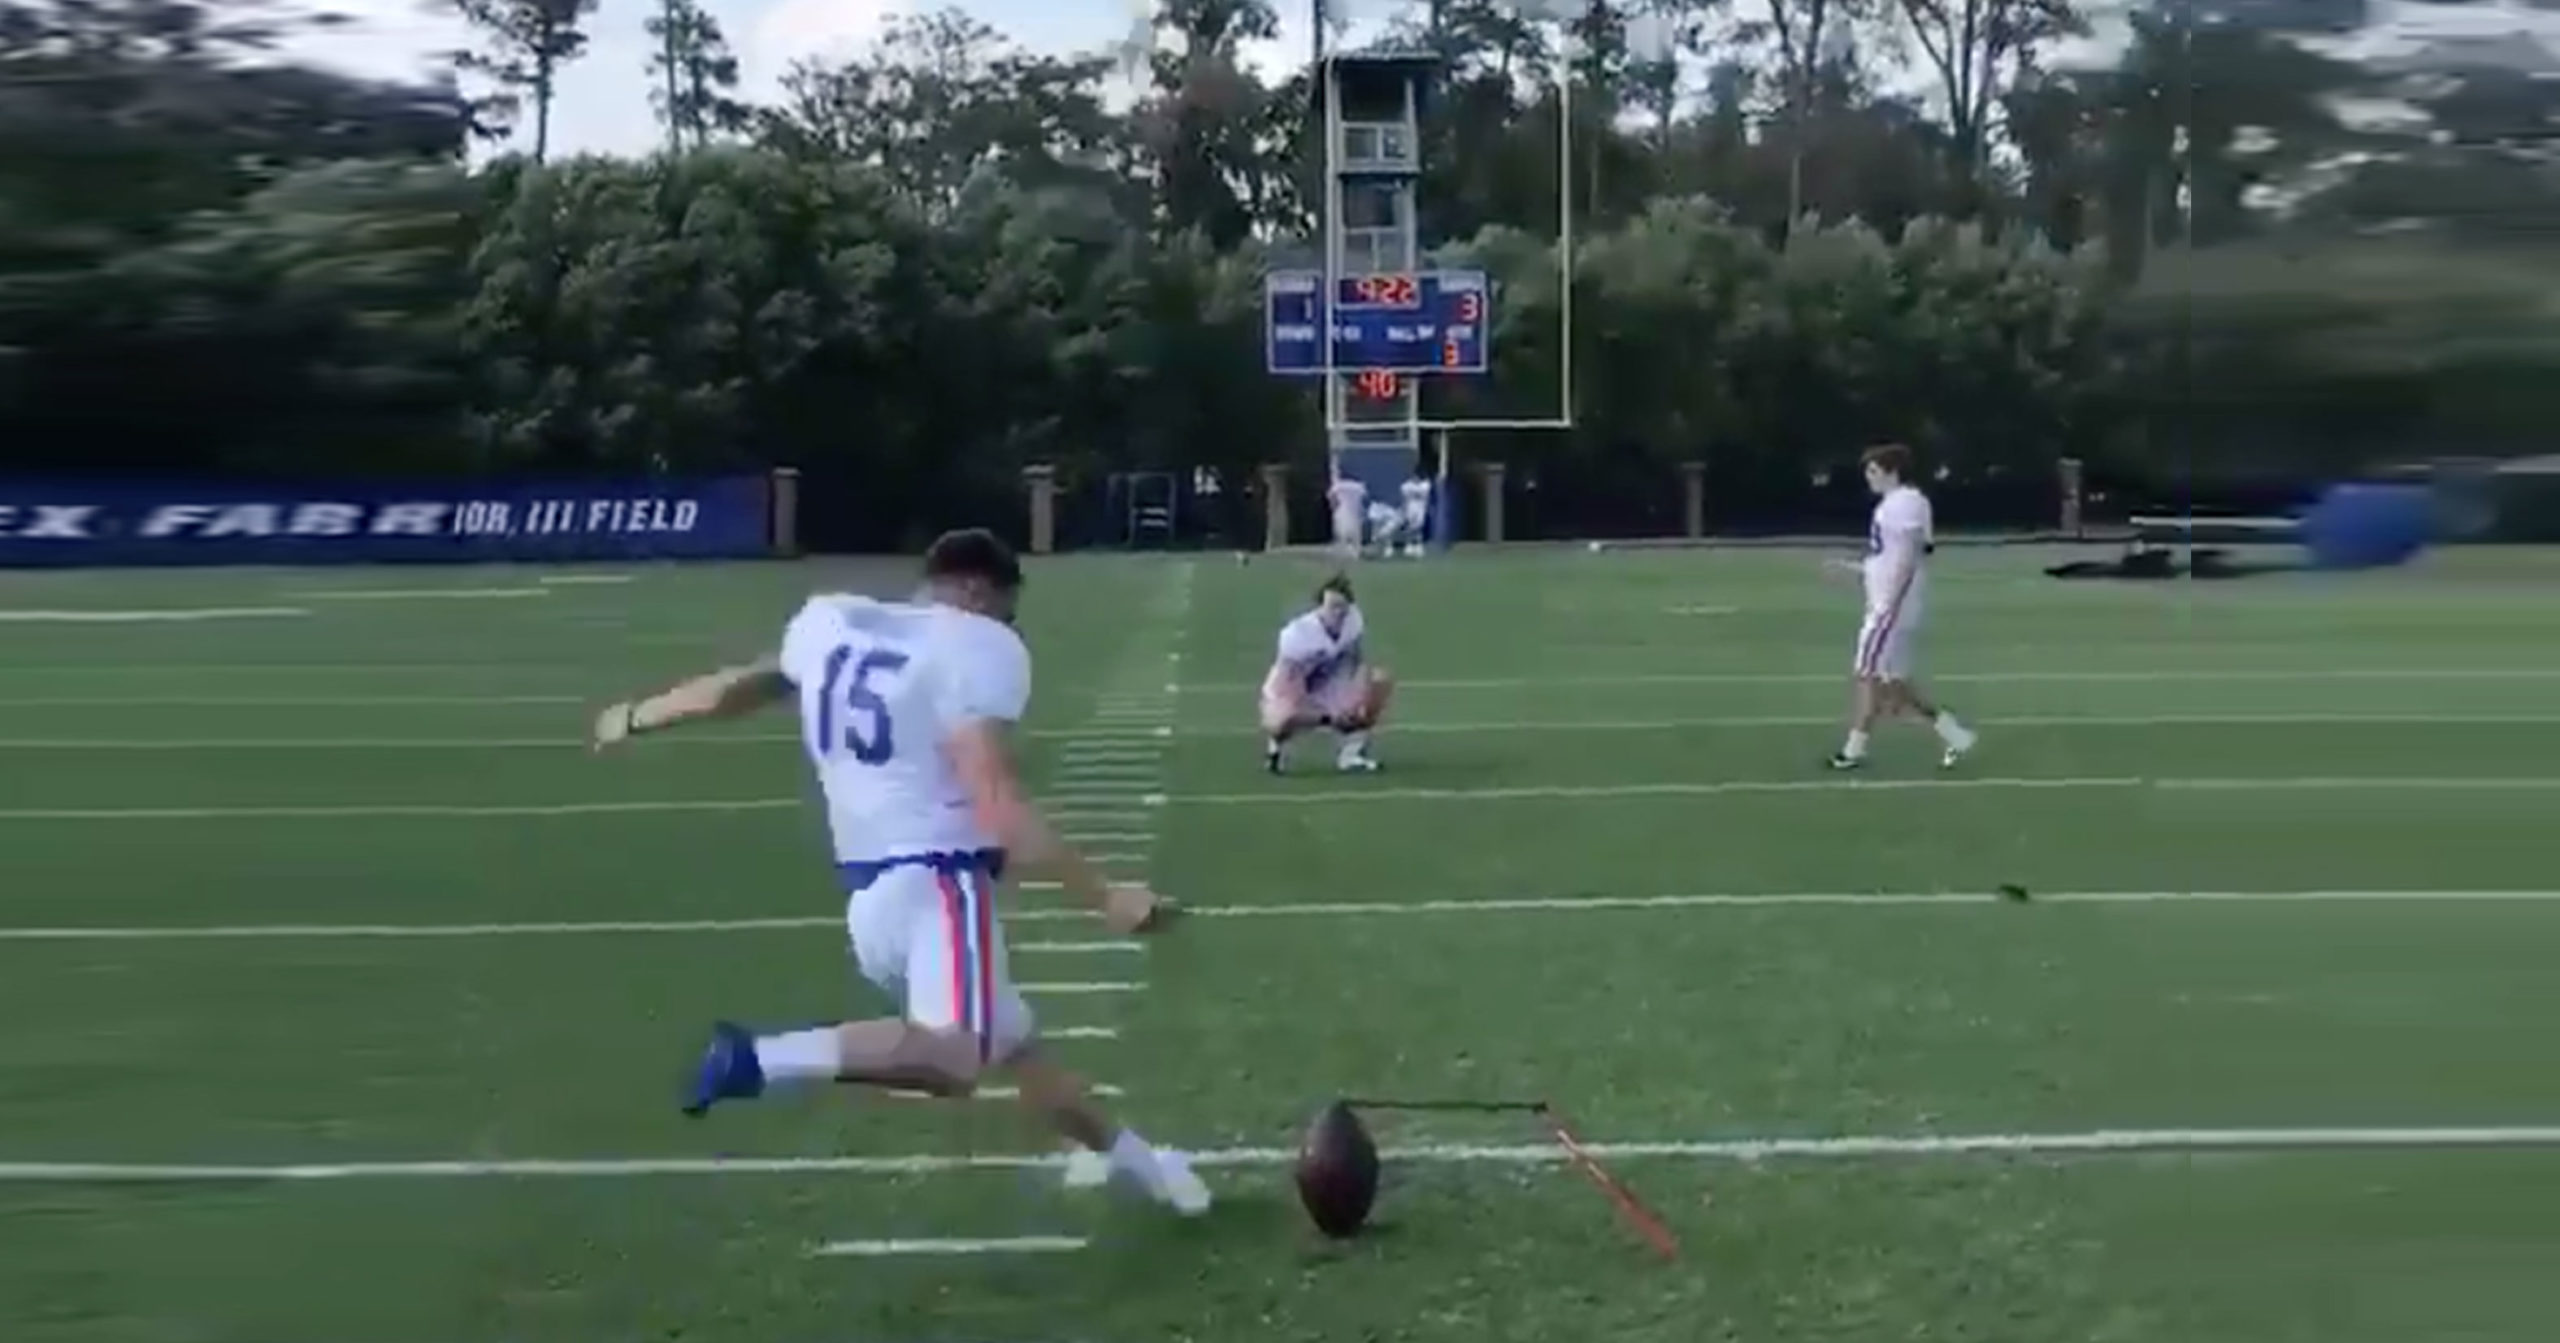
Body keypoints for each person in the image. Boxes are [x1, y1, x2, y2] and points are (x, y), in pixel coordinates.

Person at [590, 528, 1210, 1215]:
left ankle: (1152, 1171)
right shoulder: (974, 645)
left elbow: (733, 690)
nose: (1007, 627)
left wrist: (636, 714)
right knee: (957, 1057)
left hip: (873, 903)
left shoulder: (834, 623)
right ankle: (760, 1058)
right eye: (1005, 611)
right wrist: (1107, 896)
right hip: (938, 885)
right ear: (977, 589)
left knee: (1020, 1051)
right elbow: (998, 803)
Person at [1828, 443, 1977, 771]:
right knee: (1893, 688)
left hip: (1889, 608)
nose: (1869, 479)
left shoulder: (1904, 503)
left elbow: (1909, 555)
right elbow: (1889, 557)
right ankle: (1954, 734)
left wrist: (1890, 602)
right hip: (1891, 604)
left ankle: (1853, 750)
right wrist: (1853, 569)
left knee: (1867, 676)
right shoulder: (1897, 505)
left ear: (1892, 471)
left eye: (1873, 471)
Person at [1260, 574, 1394, 774]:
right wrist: (1327, 716)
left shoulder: (1353, 621)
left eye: (1341, 606)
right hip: (1292, 687)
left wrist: (1355, 695)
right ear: (1320, 606)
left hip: (1329, 684)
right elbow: (1291, 682)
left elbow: (1356, 660)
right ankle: (1276, 750)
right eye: (1331, 606)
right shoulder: (1296, 635)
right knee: (1283, 718)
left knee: (1378, 681)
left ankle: (1351, 753)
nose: (1337, 612)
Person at [1327, 472, 1368, 556]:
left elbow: (1331, 497)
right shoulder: (1359, 486)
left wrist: (1334, 507)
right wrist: (1363, 510)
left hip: (1342, 510)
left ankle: (1343, 549)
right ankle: (1356, 551)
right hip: (1356, 510)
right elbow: (1365, 499)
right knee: (1356, 532)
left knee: (1341, 531)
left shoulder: (1338, 486)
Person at [1397, 469, 1433, 558]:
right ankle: (1408, 545)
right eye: (1414, 476)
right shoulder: (1406, 486)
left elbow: (1426, 496)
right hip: (1410, 508)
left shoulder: (1425, 485)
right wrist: (1403, 509)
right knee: (1410, 527)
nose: (1416, 478)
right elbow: (1404, 498)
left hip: (1420, 508)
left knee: (1418, 527)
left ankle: (1418, 546)